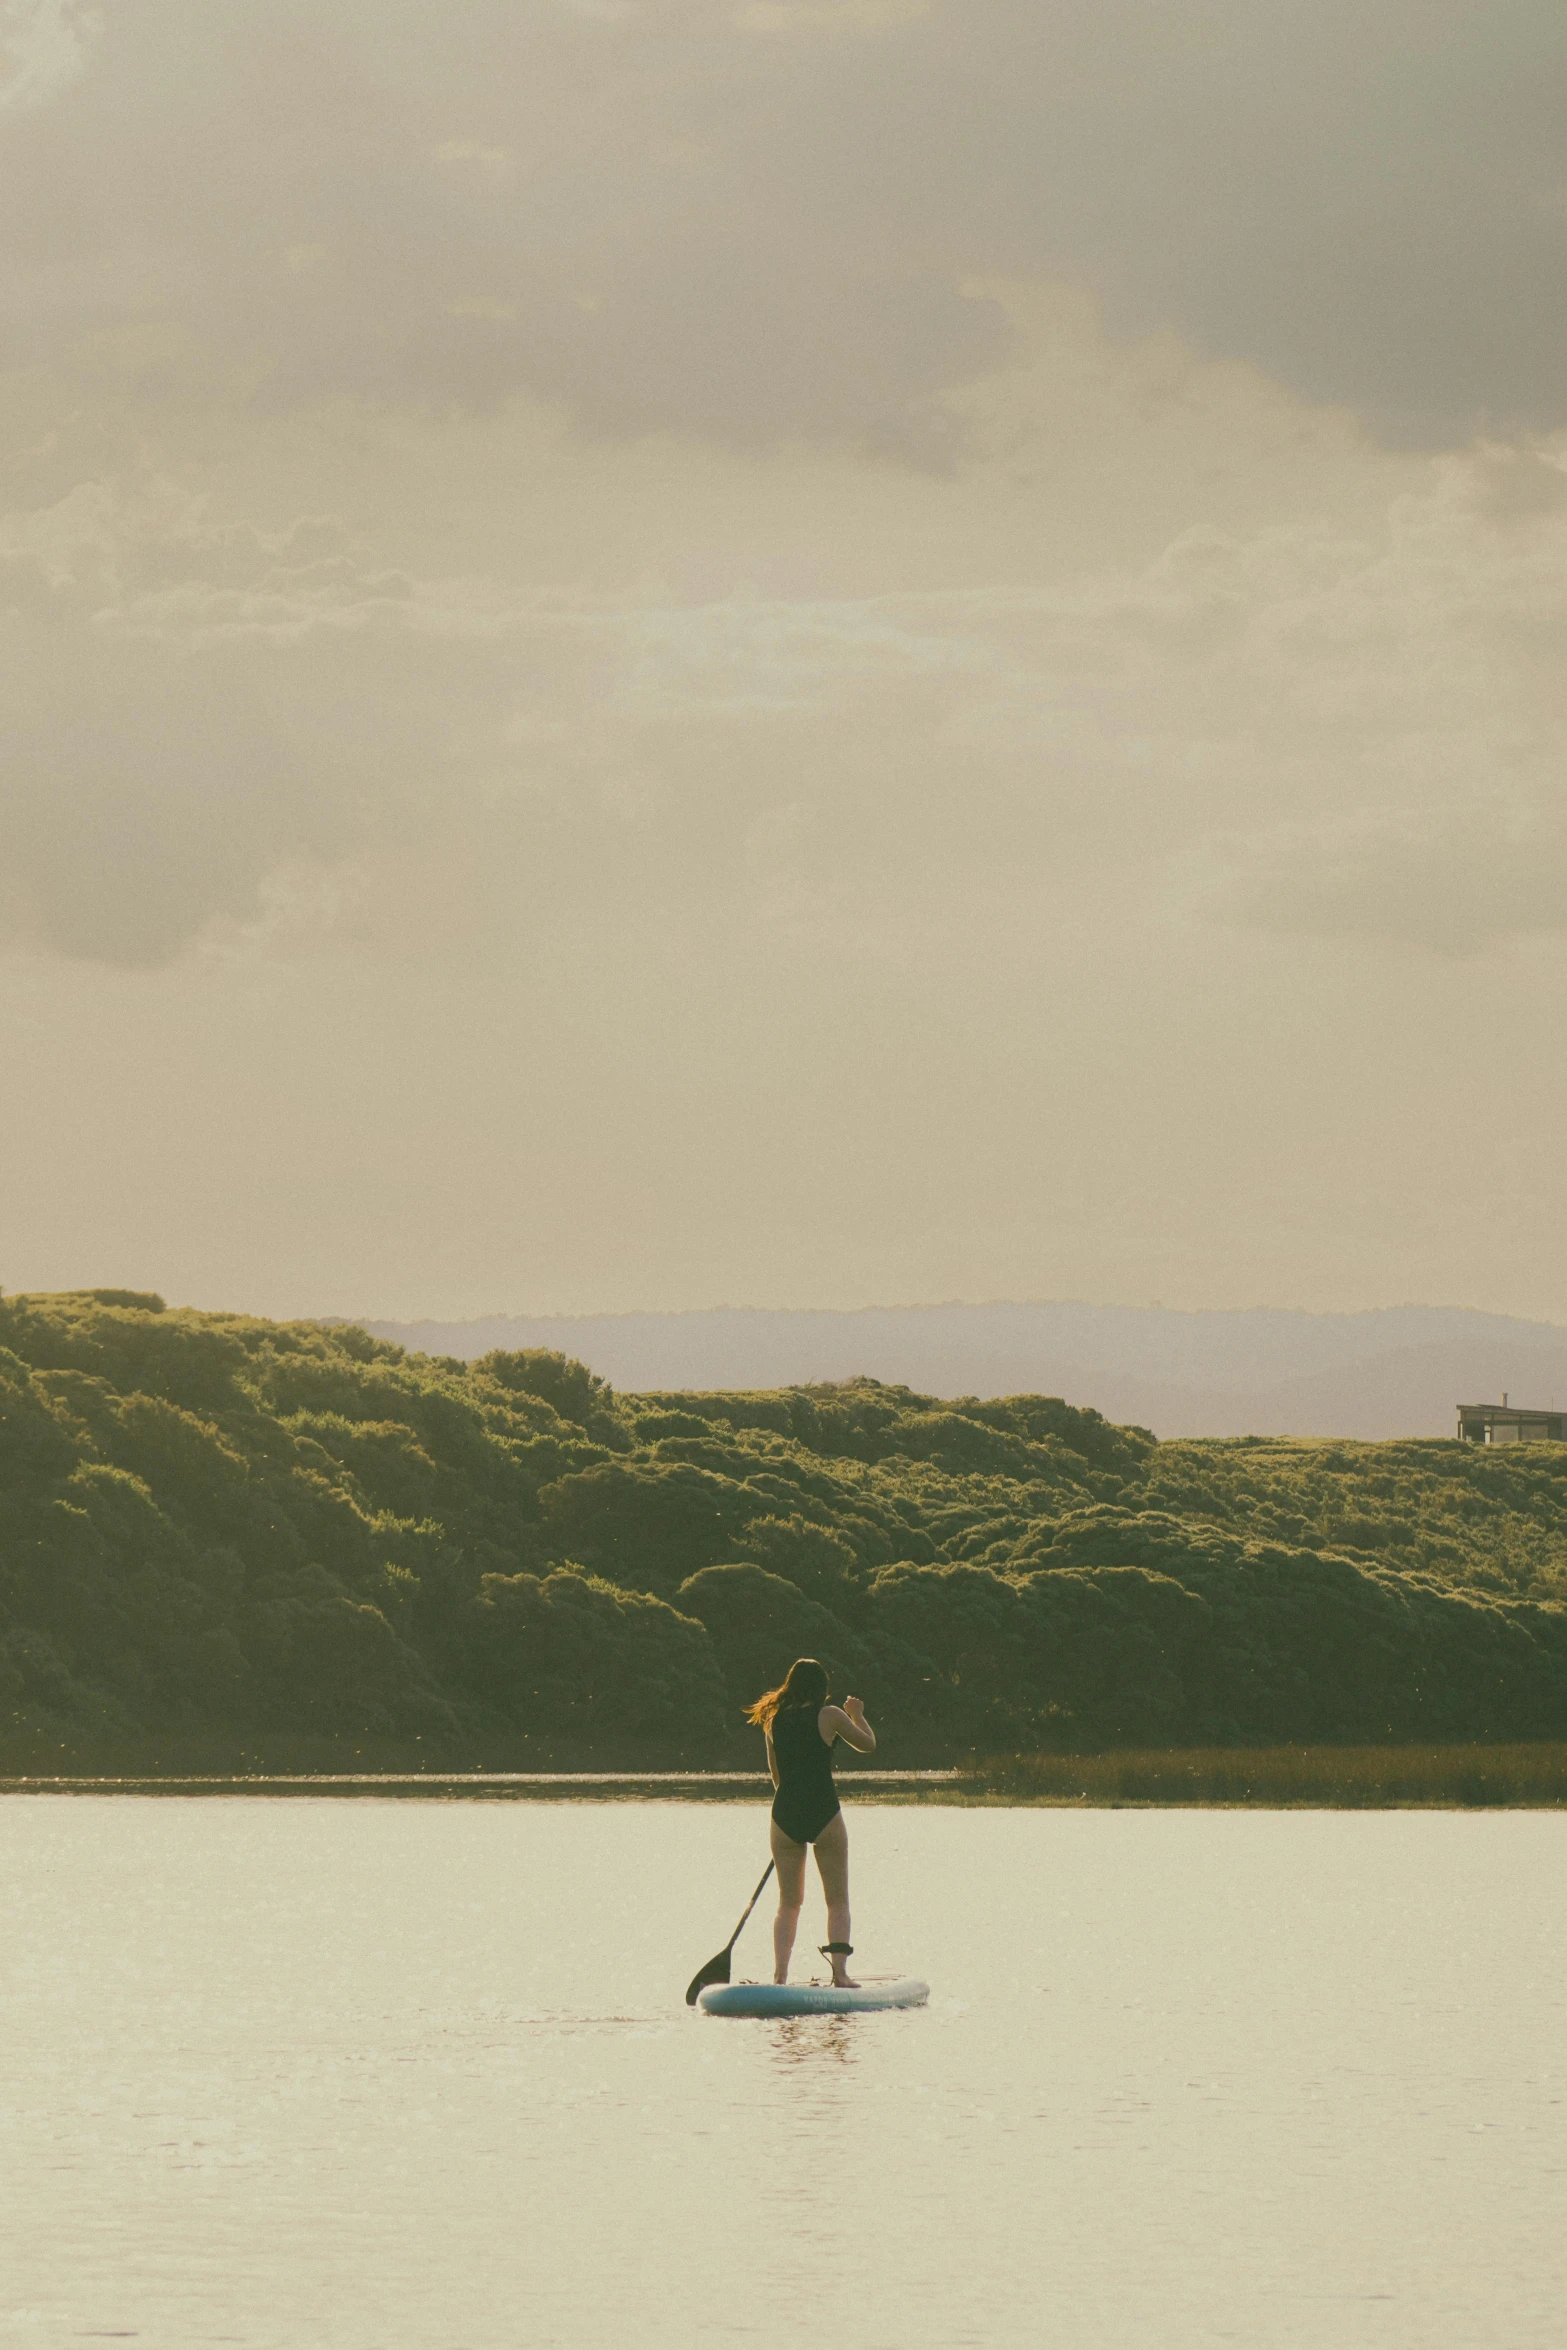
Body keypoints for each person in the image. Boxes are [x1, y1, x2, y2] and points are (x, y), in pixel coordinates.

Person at [745, 1657, 875, 1988]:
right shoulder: (830, 1715)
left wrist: (793, 1814)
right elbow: (867, 1744)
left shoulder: (772, 1720)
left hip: (784, 1814)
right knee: (837, 1900)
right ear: (821, 1687)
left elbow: (777, 1777)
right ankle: (840, 1974)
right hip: (823, 1812)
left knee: (788, 1903)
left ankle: (779, 1977)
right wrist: (857, 1714)